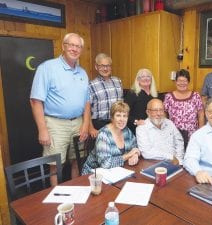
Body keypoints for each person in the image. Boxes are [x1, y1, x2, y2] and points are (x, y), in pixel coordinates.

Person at [30, 33, 90, 185]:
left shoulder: (82, 72)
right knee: (55, 166)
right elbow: (36, 101)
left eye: (78, 46)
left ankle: (76, 194)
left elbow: (87, 102)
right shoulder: (47, 68)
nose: (74, 49)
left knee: (77, 161)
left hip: (78, 123)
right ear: (64, 46)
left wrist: (85, 124)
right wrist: (42, 130)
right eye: (71, 45)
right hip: (55, 124)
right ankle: (56, 202)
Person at [81, 101, 140, 174]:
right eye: (118, 115)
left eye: (124, 116)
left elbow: (136, 147)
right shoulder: (103, 135)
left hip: (115, 172)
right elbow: (106, 164)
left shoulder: (126, 130)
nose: (122, 119)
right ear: (112, 117)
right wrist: (129, 155)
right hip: (93, 175)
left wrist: (135, 155)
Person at [164, 69, 204, 148]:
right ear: (175, 82)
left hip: (192, 135)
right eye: (179, 81)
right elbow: (164, 114)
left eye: (185, 81)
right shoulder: (168, 97)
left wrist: (201, 133)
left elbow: (201, 114)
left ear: (188, 82)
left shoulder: (196, 96)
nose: (182, 83)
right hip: (174, 135)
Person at [136, 99, 184, 164]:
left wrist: (179, 159)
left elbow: (179, 141)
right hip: (156, 164)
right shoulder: (141, 128)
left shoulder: (169, 123)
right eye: (155, 110)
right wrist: (170, 157)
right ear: (148, 112)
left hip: (177, 161)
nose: (159, 113)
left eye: (161, 110)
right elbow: (146, 152)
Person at [89, 53, 123, 138]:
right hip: (100, 124)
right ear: (96, 67)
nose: (105, 68)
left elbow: (122, 105)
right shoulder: (91, 85)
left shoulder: (118, 81)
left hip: (117, 122)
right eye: (102, 66)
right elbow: (87, 109)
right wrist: (91, 128)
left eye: (108, 65)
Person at [124, 68, 158, 134]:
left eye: (148, 76)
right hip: (136, 129)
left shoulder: (155, 95)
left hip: (152, 129)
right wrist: (136, 121)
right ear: (138, 80)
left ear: (151, 79)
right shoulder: (132, 94)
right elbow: (124, 112)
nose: (146, 78)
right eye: (142, 77)